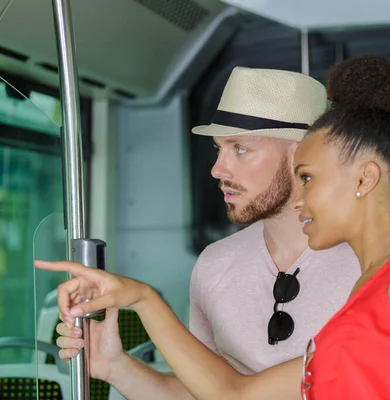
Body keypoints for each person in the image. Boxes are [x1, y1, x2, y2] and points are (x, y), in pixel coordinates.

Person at [38, 56, 390, 399]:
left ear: (364, 179)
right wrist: (131, 317)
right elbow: (234, 394)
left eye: (307, 176)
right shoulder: (364, 298)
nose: (299, 198)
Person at [52, 66, 361, 399]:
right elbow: (203, 393)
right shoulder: (214, 264)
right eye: (218, 149)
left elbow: (232, 394)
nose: (217, 169)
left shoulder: (369, 263)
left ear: (302, 154)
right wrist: (116, 367)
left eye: (239, 148)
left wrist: (144, 299)